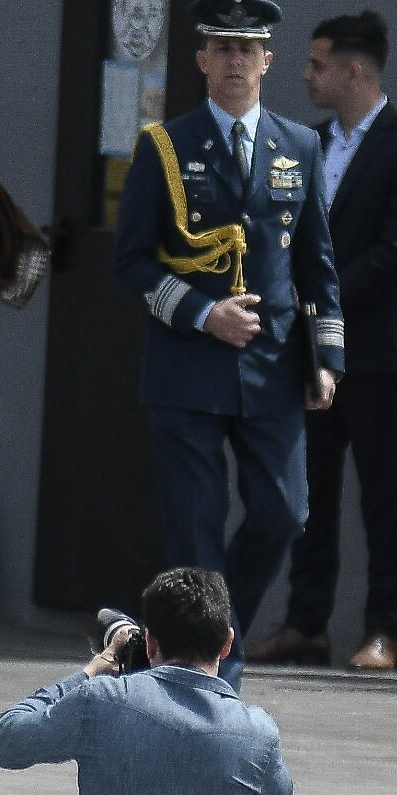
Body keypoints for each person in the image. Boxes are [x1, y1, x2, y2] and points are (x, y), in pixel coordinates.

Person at [113, 0, 344, 689]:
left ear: (269, 61)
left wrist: (327, 358)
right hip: (188, 366)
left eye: (249, 48)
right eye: (224, 47)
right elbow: (132, 261)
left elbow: (316, 261)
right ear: (201, 60)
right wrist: (202, 313)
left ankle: (209, 630)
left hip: (272, 366)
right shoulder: (165, 145)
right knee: (196, 530)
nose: (237, 60)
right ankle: (218, 671)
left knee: (284, 512)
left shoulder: (300, 145)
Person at [251, 10, 397, 671]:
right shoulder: (305, 145)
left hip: (377, 356)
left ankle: (384, 630)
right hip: (309, 355)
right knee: (304, 495)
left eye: (316, 65)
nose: (305, 75)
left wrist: (322, 296)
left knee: (383, 497)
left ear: (355, 71)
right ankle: (306, 624)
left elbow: (391, 252)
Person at [0, 567, 293, 795]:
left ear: (150, 642)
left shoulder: (101, 699)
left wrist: (89, 673)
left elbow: (5, 743)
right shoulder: (256, 732)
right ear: (227, 643)